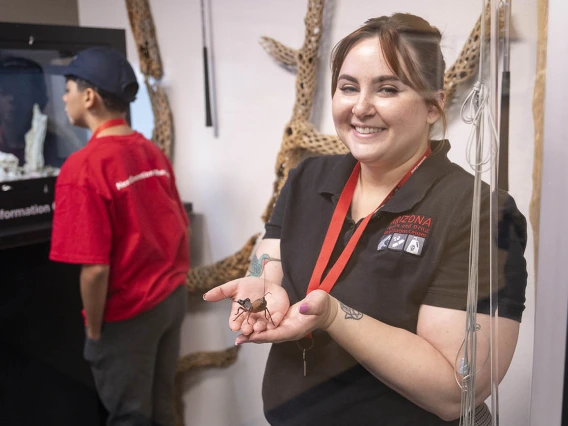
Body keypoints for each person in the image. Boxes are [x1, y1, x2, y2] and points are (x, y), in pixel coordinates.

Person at [204, 13, 527, 426]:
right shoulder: (309, 177)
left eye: (388, 89)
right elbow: (272, 257)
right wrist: (262, 284)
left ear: (434, 105)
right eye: (348, 87)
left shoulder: (482, 213)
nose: (360, 107)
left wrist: (335, 317)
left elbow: (454, 393)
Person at [49, 47, 190, 426]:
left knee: (129, 417)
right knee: (163, 408)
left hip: (128, 315)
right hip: (170, 300)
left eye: (69, 89)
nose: (64, 98)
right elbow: (178, 226)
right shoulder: (151, 152)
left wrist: (95, 333)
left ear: (89, 97)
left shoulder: (82, 168)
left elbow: (94, 270)